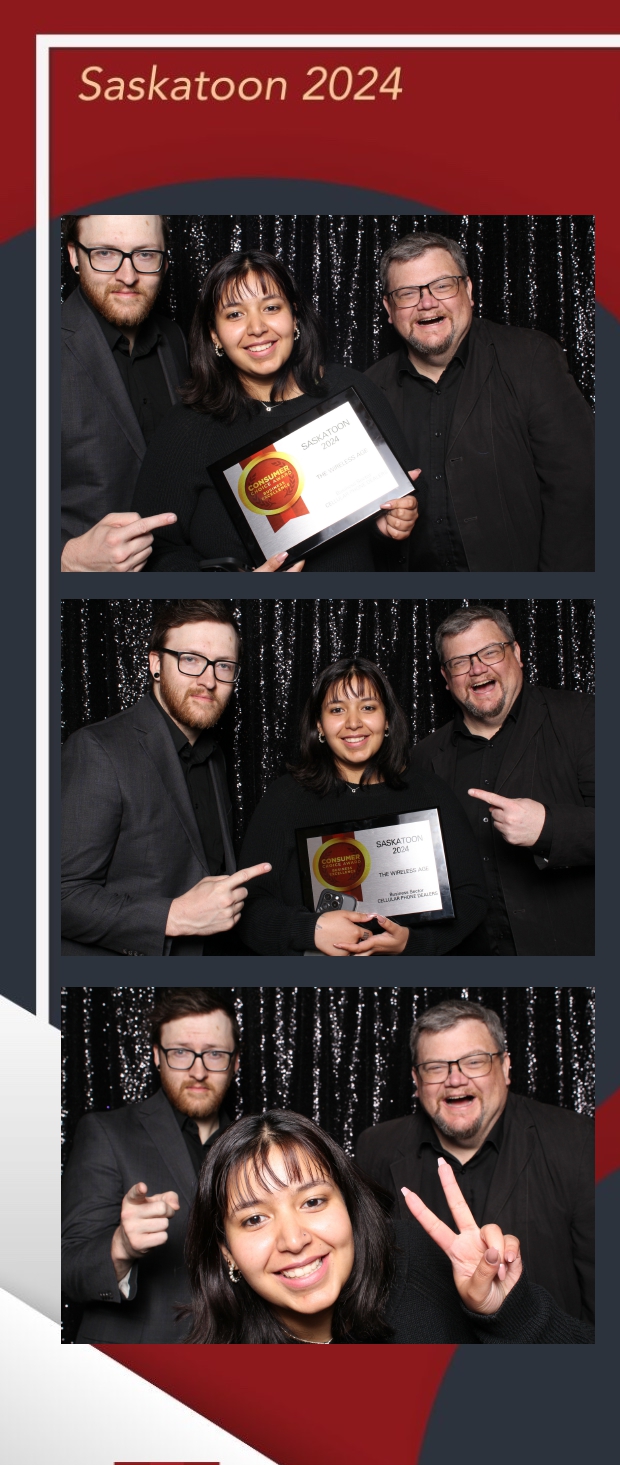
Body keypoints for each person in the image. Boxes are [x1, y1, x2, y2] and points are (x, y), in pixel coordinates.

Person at [184, 1107, 593, 1343]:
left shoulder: (416, 1265)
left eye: (313, 1201)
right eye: (255, 1219)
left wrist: (509, 1311)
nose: (293, 1239)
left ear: (349, 1205)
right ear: (226, 1251)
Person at [132, 249, 419, 572]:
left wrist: (389, 525)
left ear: (294, 316)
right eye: (234, 314)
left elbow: (402, 529)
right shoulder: (186, 426)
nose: (256, 327)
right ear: (214, 334)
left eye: (271, 307)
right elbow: (154, 550)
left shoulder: (353, 392)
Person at [356, 999, 594, 1325]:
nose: (455, 1079)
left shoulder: (579, 1141)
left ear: (506, 1067)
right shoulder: (376, 1148)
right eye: (435, 1067)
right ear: (416, 1080)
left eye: (474, 1061)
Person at [366, 231, 595, 571]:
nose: (427, 303)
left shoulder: (531, 358)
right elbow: (361, 518)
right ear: (389, 308)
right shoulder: (369, 391)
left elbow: (579, 491)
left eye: (442, 285)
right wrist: (381, 528)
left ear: (469, 291)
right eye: (407, 293)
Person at [236, 656, 488, 956]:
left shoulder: (430, 791)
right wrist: (310, 930)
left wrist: (412, 943)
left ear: (387, 720)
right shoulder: (285, 798)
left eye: (368, 707)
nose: (353, 722)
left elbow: (472, 896)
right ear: (319, 724)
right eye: (337, 709)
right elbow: (248, 907)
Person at [61, 600, 270, 955]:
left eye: (223, 665)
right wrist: (172, 917)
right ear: (156, 664)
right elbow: (59, 895)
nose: (208, 681)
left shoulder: (214, 756)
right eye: (190, 659)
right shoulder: (98, 749)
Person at [411, 605, 594, 954]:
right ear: (446, 677)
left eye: (490, 652)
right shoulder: (423, 757)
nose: (477, 668)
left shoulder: (585, 718)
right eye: (460, 662)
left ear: (517, 654)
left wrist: (549, 828)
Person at [61, 989, 239, 1343]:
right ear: (157, 1056)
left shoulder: (253, 1148)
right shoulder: (106, 1132)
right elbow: (66, 1269)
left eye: (215, 1054)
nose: (198, 1071)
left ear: (235, 1063)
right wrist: (121, 1247)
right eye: (180, 1052)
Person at [61, 213, 188, 572]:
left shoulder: (175, 339)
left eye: (145, 254)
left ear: (165, 260)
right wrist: (67, 559)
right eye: (105, 253)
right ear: (74, 255)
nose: (128, 276)